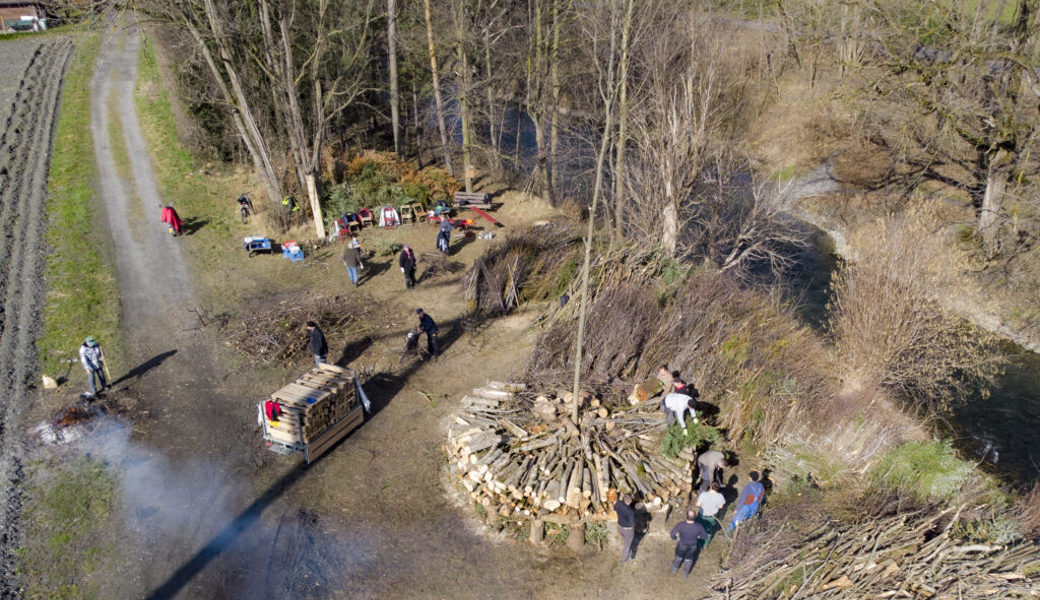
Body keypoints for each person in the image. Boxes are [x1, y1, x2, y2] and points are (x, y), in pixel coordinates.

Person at [670, 509, 709, 578]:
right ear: (695, 517)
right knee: (688, 560)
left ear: (686, 516)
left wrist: (676, 538)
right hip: (693, 546)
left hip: (682, 544)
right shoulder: (698, 526)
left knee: (679, 557)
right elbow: (705, 536)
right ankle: (685, 574)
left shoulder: (681, 525)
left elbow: (672, 534)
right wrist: (698, 536)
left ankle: (674, 569)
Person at [613, 493, 636, 563]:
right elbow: (632, 524)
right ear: (630, 501)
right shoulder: (630, 511)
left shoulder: (619, 503)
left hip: (620, 527)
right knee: (627, 545)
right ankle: (624, 559)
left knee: (625, 541)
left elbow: (614, 508)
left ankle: (629, 552)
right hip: (628, 530)